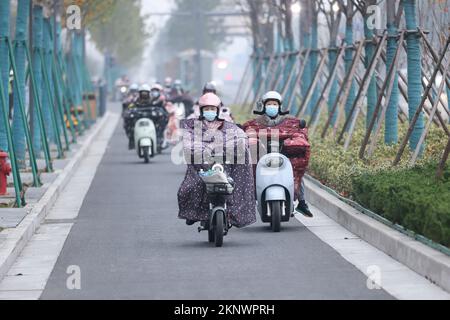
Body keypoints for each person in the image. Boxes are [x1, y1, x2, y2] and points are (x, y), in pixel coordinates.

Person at [178, 93, 257, 228]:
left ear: (218, 110)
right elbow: (189, 144)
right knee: (192, 187)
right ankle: (194, 213)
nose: (210, 112)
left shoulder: (228, 126)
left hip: (225, 165)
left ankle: (233, 213)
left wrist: (236, 145)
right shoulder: (193, 126)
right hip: (202, 167)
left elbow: (240, 137)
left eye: (213, 109)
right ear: (202, 110)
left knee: (237, 181)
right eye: (207, 109)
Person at [242, 91, 313, 218]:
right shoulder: (255, 123)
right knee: (248, 172)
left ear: (280, 106)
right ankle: (247, 201)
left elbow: (299, 131)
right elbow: (247, 131)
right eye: (269, 104)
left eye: (275, 104)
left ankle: (302, 202)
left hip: (283, 156)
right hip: (262, 158)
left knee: (297, 171)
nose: (272, 106)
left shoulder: (289, 122)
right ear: (263, 106)